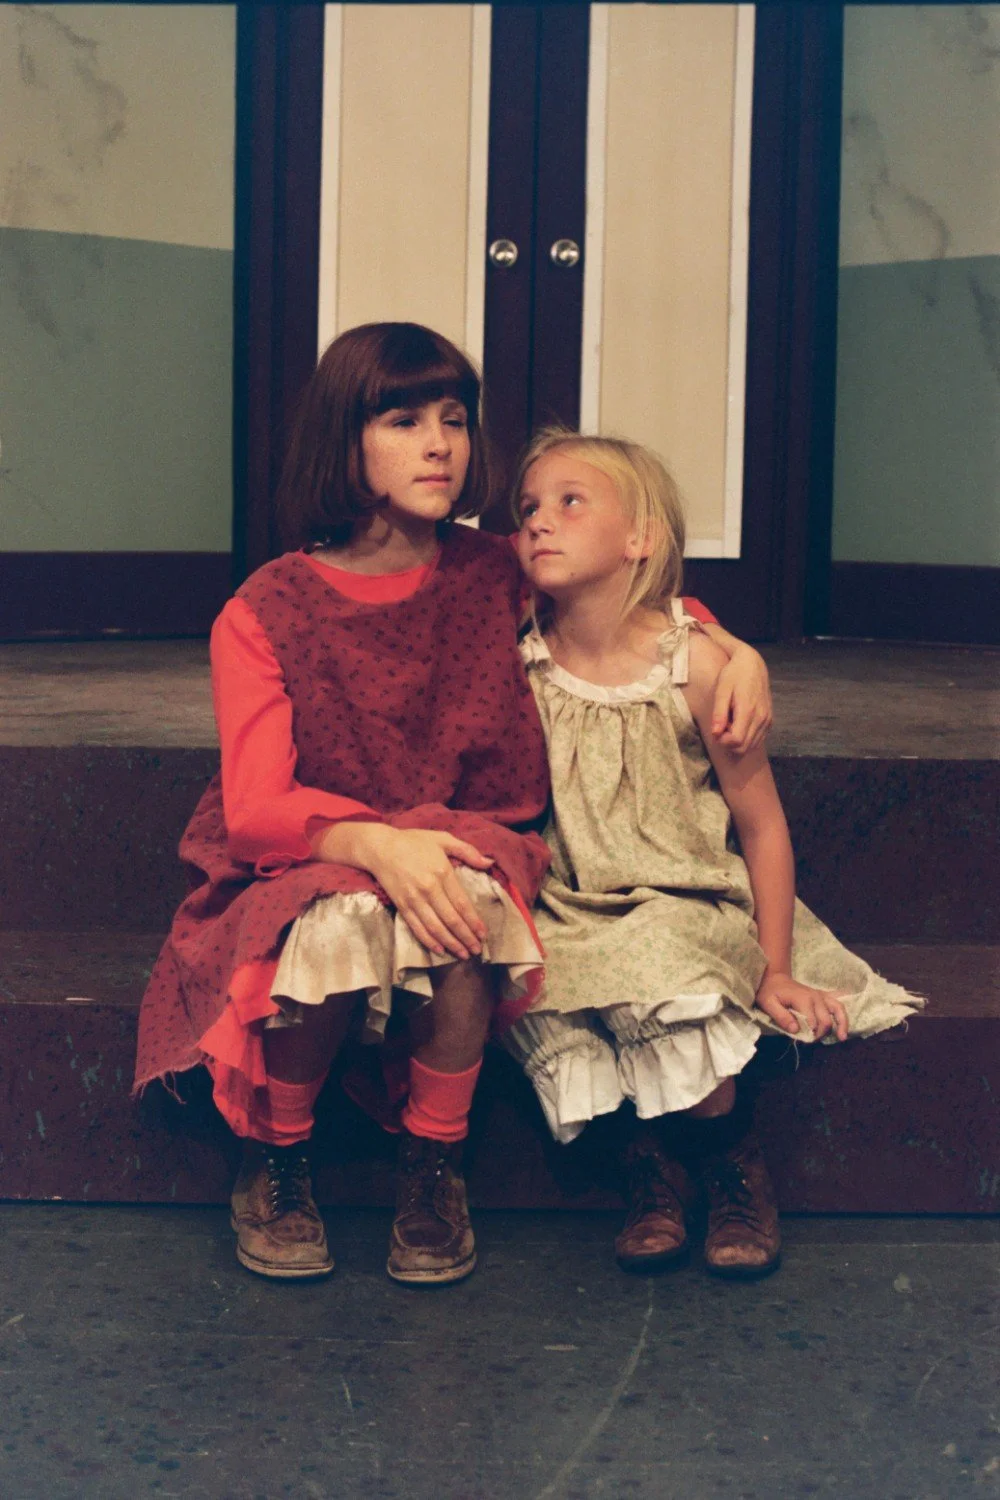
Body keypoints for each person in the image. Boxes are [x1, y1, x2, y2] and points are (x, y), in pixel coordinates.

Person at [133, 324, 771, 1288]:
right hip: (313, 844)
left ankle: (435, 1161)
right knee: (338, 917)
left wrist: (735, 648)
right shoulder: (264, 608)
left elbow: (620, 598)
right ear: (344, 442)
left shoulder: (494, 568)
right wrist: (378, 847)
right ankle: (280, 1158)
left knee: (463, 906)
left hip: (466, 833)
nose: (440, 443)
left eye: (455, 420)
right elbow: (257, 805)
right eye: (405, 421)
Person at [502, 428, 923, 1279]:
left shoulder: (693, 668)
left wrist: (774, 968)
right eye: (528, 509)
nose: (540, 523)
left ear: (640, 538)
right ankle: (648, 1168)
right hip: (572, 898)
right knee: (535, 985)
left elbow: (761, 824)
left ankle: (729, 1158)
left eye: (570, 502)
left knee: (670, 973)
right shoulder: (520, 658)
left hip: (685, 895)